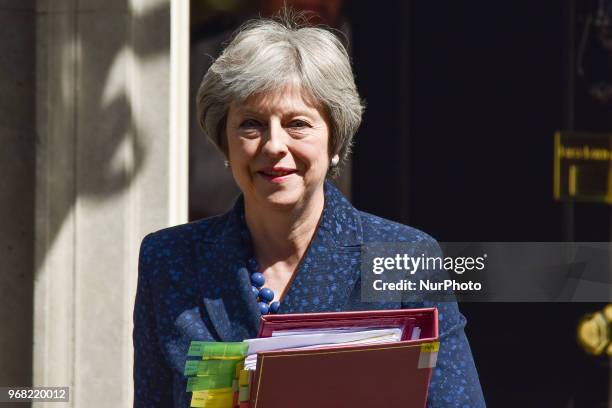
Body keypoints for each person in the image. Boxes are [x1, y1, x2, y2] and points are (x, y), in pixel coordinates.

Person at [133, 12, 485, 407]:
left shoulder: (406, 259)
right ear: (224, 140)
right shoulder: (168, 261)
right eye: (251, 124)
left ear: (335, 139)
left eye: (297, 123)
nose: (273, 145)